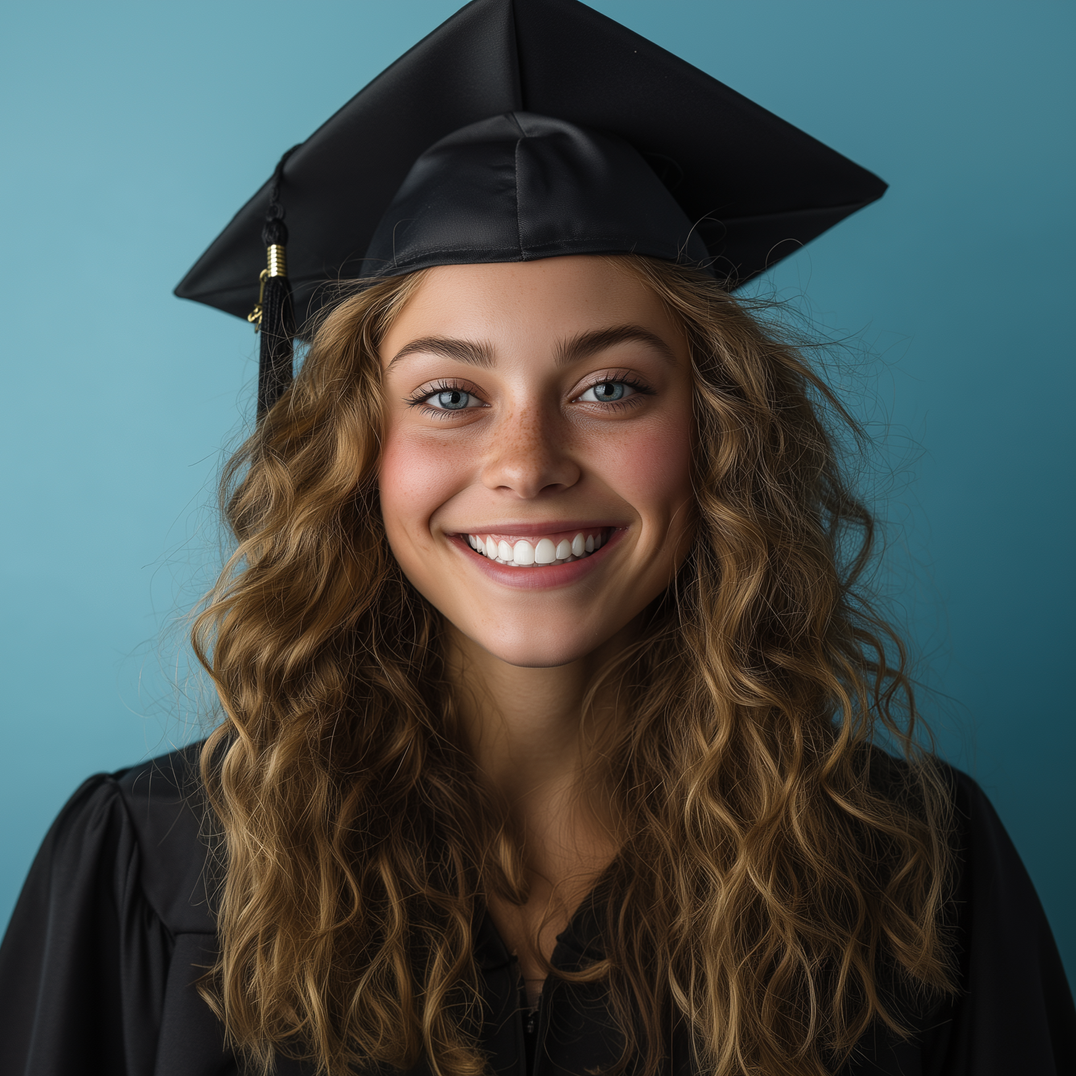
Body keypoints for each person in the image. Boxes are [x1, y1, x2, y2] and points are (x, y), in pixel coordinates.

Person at [1, 2, 1073, 1074]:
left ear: (717, 431)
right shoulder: (151, 867)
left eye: (609, 386)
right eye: (449, 393)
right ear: (352, 448)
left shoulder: (911, 869)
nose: (526, 460)